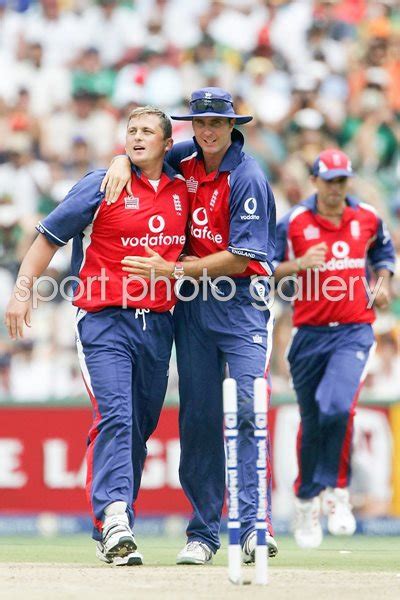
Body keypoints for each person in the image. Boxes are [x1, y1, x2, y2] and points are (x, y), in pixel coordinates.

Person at [4, 107, 189, 565]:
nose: (137, 137)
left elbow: (214, 150)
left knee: (140, 428)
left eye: (148, 132)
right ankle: (115, 517)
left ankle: (110, 521)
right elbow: (48, 238)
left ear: (167, 144)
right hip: (103, 319)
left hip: (159, 323)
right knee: (117, 415)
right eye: (131, 132)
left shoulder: (183, 184)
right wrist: (21, 293)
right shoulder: (100, 182)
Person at [102, 87, 277, 564]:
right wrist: (121, 160)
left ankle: (254, 521)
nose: (207, 131)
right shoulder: (186, 157)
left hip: (240, 303)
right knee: (198, 419)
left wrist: (173, 270)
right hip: (192, 308)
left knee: (246, 404)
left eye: (216, 123)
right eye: (199, 123)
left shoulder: (248, 176)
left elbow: (242, 259)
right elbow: (146, 155)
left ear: (232, 126)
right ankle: (203, 533)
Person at [273, 148, 395, 548]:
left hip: (354, 332)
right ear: (315, 182)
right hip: (308, 334)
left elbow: (384, 254)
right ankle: (307, 498)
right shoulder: (293, 221)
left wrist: (381, 284)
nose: (336, 189)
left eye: (342, 180)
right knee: (312, 420)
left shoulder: (367, 217)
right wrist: (299, 265)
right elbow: (262, 266)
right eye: (329, 181)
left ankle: (338, 492)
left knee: (337, 405)